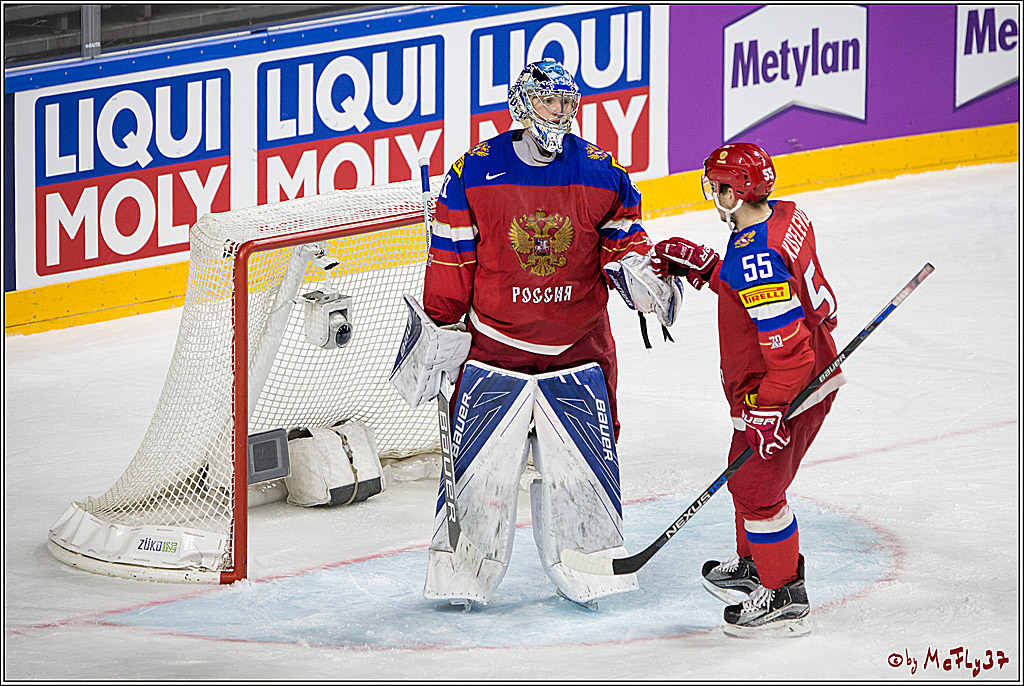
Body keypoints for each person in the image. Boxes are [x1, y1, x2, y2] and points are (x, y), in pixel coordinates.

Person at [390, 58, 680, 608]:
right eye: (551, 102)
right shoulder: (474, 172)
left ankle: (590, 569)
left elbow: (626, 240)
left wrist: (641, 274)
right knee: (479, 478)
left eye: (569, 103)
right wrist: (439, 331)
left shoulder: (600, 171)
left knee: (583, 474)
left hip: (579, 351)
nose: (563, 112)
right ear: (525, 104)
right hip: (493, 350)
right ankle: (462, 577)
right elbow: (451, 260)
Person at [651, 142, 844, 637]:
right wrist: (708, 268)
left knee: (759, 489)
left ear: (737, 193)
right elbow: (757, 280)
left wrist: (771, 409)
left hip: (787, 386)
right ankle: (756, 564)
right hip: (777, 380)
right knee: (743, 475)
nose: (713, 193)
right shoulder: (783, 216)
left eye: (718, 186)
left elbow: (791, 351)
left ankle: (783, 594)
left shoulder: (755, 255)